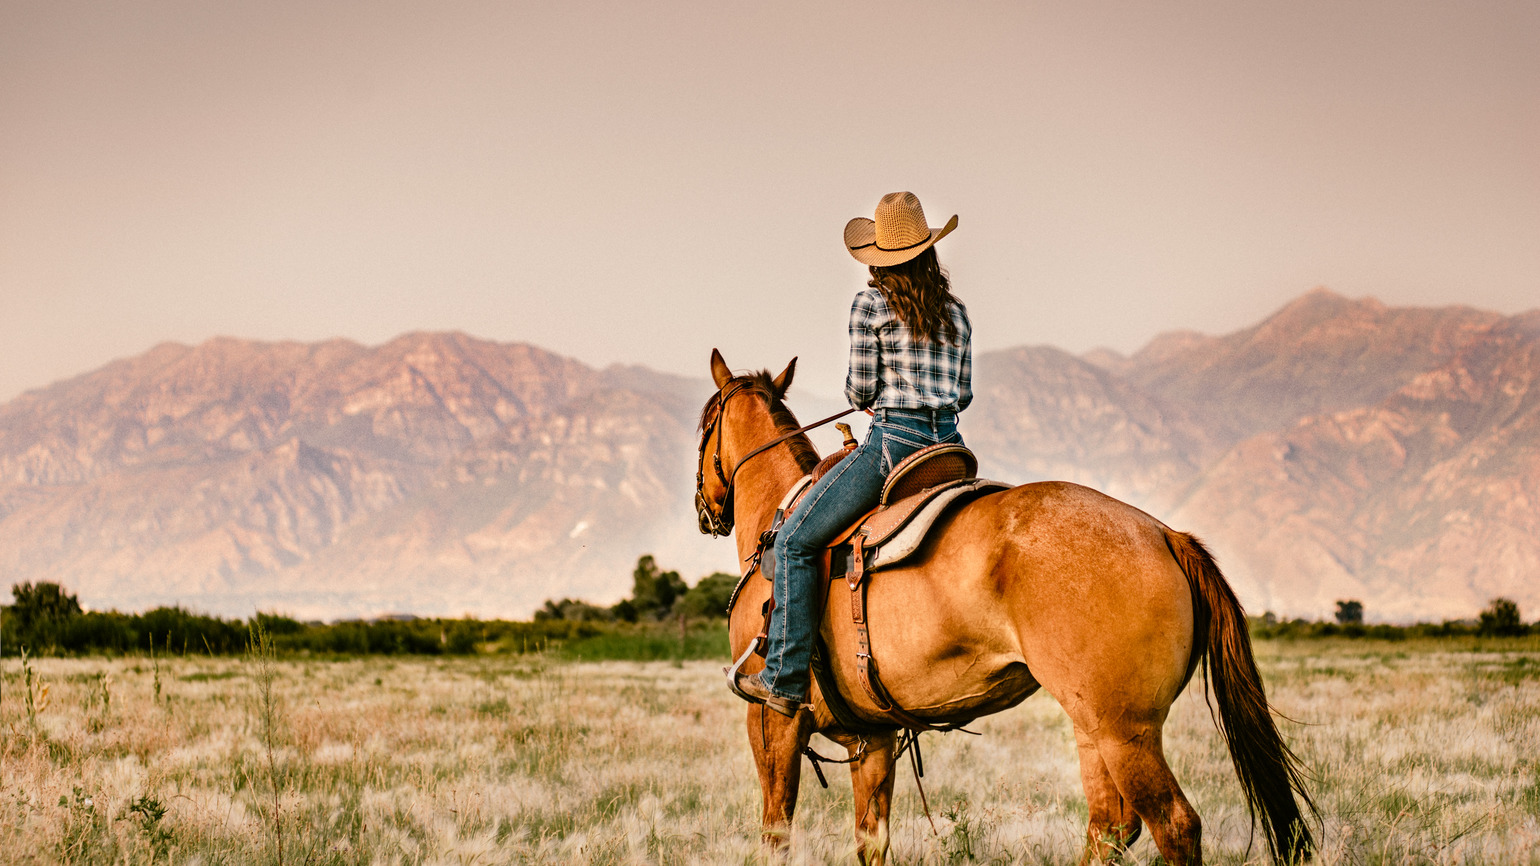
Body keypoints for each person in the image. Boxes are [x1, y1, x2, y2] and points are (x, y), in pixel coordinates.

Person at [732, 191, 973, 717]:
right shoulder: (956, 313)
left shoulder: (870, 306)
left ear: (880, 259)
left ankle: (784, 677)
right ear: (930, 251)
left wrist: (876, 393)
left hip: (894, 446)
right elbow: (963, 395)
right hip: (950, 449)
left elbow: (860, 392)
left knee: (795, 539)